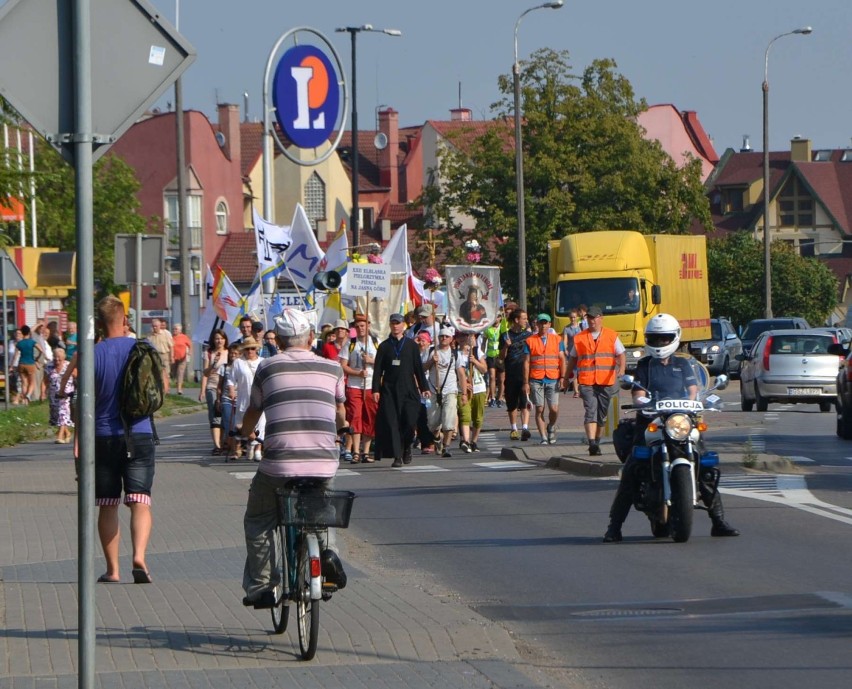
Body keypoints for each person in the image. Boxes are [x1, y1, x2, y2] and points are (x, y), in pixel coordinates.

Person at [241, 308, 348, 608]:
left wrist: (242, 433)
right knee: (319, 513)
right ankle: (326, 555)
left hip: (280, 462)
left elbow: (254, 410)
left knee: (259, 518)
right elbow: (340, 411)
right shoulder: (333, 369)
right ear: (311, 337)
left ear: (280, 341)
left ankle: (263, 585)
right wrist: (342, 427)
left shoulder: (266, 368)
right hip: (323, 460)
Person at [603, 313, 740, 542]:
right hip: (651, 421)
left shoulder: (684, 364)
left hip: (681, 420)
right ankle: (614, 527)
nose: (660, 343)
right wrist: (641, 401)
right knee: (632, 471)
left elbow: (693, 388)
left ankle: (718, 520)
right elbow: (637, 390)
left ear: (674, 338)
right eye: (655, 339)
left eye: (665, 338)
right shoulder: (646, 365)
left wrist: (697, 400)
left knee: (704, 464)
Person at [93, 295, 156, 584]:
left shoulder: (93, 353)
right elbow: (160, 389)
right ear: (125, 320)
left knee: (108, 503)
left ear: (100, 322)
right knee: (140, 501)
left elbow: (83, 400)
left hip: (104, 436)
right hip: (140, 432)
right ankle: (139, 556)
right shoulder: (143, 348)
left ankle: (113, 570)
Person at [563, 305, 626, 456]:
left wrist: (622, 369)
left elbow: (621, 354)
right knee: (590, 410)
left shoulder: (611, 335)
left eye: (594, 317)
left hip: (606, 381)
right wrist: (566, 377)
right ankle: (591, 442)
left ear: (600, 318)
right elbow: (572, 359)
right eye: (589, 318)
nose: (591, 320)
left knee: (601, 415)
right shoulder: (580, 338)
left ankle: (597, 441)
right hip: (587, 381)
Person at [372, 312, 430, 467]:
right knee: (393, 423)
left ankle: (406, 447)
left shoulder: (411, 345)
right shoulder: (384, 346)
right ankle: (397, 455)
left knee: (410, 422)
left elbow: (418, 367)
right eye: (393, 323)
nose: (395, 326)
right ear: (390, 325)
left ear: (403, 325)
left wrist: (424, 387)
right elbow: (378, 370)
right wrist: (375, 390)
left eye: (398, 323)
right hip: (390, 391)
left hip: (409, 389)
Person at [339, 314, 379, 463]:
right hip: (355, 385)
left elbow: (383, 363)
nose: (360, 328)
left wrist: (371, 361)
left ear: (368, 326)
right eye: (357, 326)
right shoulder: (350, 344)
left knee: (370, 417)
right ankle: (355, 450)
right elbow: (343, 365)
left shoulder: (376, 343)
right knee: (355, 416)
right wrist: (357, 373)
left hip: (371, 386)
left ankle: (366, 452)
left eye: (363, 325)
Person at [423, 326, 468, 457]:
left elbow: (461, 374)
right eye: (441, 336)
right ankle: (437, 438)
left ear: (451, 339)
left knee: (449, 421)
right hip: (433, 390)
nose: (444, 338)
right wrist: (432, 361)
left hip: (450, 390)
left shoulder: (455, 354)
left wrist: (464, 393)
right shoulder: (431, 351)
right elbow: (422, 368)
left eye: (446, 337)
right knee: (432, 423)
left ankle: (446, 447)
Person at [526, 314, 564, 445]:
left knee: (554, 408)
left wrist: (563, 377)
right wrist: (526, 382)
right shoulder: (530, 340)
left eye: (545, 323)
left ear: (549, 325)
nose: (543, 326)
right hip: (536, 378)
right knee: (539, 409)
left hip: (553, 377)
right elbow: (526, 362)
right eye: (541, 323)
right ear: (537, 325)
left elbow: (562, 358)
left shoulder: (557, 339)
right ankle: (543, 437)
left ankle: (551, 426)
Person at [500, 308, 533, 441]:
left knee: (525, 401)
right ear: (516, 320)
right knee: (512, 403)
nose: (526, 321)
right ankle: (514, 428)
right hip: (511, 372)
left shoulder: (529, 336)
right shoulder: (505, 336)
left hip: (525, 373)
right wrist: (506, 346)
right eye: (524, 318)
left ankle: (525, 427)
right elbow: (501, 358)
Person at [233, 336, 265, 461]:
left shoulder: (262, 362)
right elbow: (231, 379)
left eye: (252, 348)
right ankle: (249, 444)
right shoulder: (238, 362)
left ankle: (257, 448)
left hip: (260, 397)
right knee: (243, 425)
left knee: (261, 423)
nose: (250, 351)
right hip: (243, 398)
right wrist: (231, 389)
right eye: (247, 349)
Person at [200, 329, 228, 455]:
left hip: (226, 387)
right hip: (212, 386)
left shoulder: (230, 352)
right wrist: (202, 390)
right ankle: (217, 445)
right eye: (217, 338)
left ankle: (224, 443)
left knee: (226, 416)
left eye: (221, 338)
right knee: (215, 416)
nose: (219, 341)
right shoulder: (209, 353)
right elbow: (205, 373)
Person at [46, 346, 74, 444]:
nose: (57, 360)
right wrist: (42, 392)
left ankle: (60, 436)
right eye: (55, 357)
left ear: (64, 358)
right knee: (57, 414)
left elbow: (77, 377)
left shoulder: (69, 365)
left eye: (59, 358)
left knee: (63, 412)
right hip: (54, 394)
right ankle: (67, 433)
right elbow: (45, 380)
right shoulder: (49, 366)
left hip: (66, 393)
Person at [15, 324, 43, 404]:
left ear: (22, 333)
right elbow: (41, 350)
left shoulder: (19, 343)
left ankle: (24, 401)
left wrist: (11, 365)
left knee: (24, 383)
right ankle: (28, 395)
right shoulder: (32, 342)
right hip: (30, 363)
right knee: (32, 382)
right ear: (29, 333)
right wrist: (37, 358)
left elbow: (15, 355)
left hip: (21, 363)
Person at [148, 319, 173, 395]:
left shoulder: (166, 334)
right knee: (155, 372)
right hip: (154, 355)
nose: (154, 327)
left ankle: (167, 389)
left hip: (164, 355)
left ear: (159, 326)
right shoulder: (150, 335)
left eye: (156, 326)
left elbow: (171, 346)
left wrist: (172, 356)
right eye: (153, 326)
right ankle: (158, 389)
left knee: (166, 372)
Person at [561, 309, 582, 397]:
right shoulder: (566, 328)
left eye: (574, 317)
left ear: (577, 317)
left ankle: (581, 388)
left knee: (580, 370)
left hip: (580, 351)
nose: (573, 319)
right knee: (574, 371)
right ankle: (576, 391)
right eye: (571, 317)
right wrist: (565, 349)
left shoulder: (581, 327)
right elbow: (565, 340)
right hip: (571, 352)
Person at [484, 314, 504, 407]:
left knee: (501, 379)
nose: (496, 319)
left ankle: (500, 398)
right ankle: (492, 398)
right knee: (492, 377)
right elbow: (484, 342)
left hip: (500, 356)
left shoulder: (503, 328)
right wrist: (482, 354)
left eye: (497, 317)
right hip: (490, 355)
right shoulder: (488, 329)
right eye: (494, 317)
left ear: (500, 318)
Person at [171, 323, 192, 395]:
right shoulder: (171, 337)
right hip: (173, 358)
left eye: (176, 329)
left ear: (180, 331)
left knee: (180, 372)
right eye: (173, 329)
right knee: (173, 373)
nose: (174, 330)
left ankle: (179, 389)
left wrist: (190, 352)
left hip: (182, 357)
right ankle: (175, 383)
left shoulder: (184, 337)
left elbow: (190, 345)